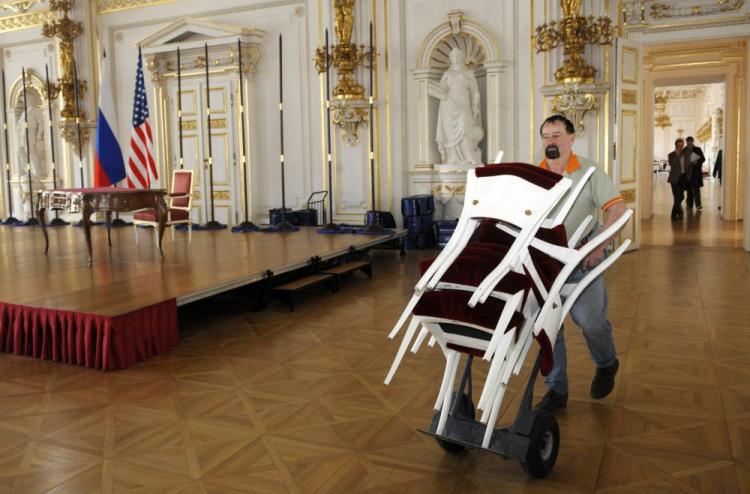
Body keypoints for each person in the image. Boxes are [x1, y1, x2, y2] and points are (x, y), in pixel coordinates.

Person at [534, 114, 626, 414]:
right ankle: (556, 389)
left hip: (580, 261)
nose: (551, 141)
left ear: (572, 138)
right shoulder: (534, 175)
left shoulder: (588, 171)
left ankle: (607, 363)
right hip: (545, 263)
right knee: (548, 329)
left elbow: (618, 211)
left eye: (557, 134)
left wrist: (599, 244)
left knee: (591, 323)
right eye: (546, 135)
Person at [432, 48, 483, 165]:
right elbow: (442, 89)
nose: (455, 58)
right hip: (448, 105)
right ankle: (452, 158)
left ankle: (469, 156)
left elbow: (474, 90)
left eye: (457, 56)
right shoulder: (447, 74)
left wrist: (476, 100)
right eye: (453, 57)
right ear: (451, 59)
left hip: (463, 105)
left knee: (465, 130)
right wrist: (431, 87)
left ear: (461, 58)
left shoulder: (468, 74)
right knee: (449, 132)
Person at [667, 138, 690, 220]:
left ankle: (674, 213)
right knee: (676, 196)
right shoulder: (671, 155)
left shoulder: (686, 154)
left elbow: (695, 160)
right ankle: (679, 213)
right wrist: (677, 155)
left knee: (681, 196)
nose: (680, 147)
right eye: (679, 145)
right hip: (674, 178)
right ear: (676, 146)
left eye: (682, 145)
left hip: (683, 178)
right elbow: (672, 165)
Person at [684, 136, 705, 211]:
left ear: (693, 142)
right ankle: (689, 204)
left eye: (690, 142)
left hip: (695, 172)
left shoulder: (697, 149)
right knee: (689, 190)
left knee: (696, 189)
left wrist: (697, 162)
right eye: (688, 142)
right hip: (687, 173)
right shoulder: (684, 150)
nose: (689, 143)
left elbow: (703, 159)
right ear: (686, 142)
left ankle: (698, 205)